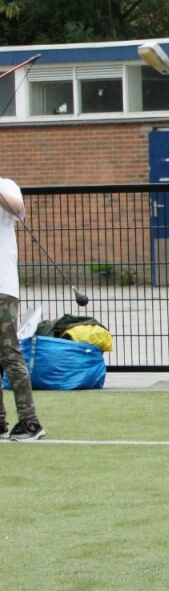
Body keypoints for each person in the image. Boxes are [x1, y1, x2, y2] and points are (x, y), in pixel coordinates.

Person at [0, 177, 45, 441]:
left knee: (9, 353)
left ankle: (30, 422)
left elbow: (16, 208)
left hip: (2, 288)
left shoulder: (6, 186)